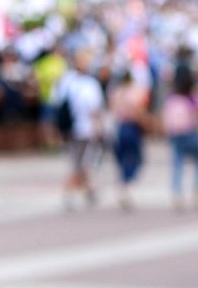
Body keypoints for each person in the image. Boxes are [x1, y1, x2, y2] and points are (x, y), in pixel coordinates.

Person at [55, 49, 106, 210]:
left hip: (74, 128)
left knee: (81, 162)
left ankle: (89, 191)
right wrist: (99, 127)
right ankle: (69, 192)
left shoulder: (67, 81)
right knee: (79, 163)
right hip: (83, 128)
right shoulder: (88, 84)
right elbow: (94, 109)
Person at [162, 74, 198, 211]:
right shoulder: (193, 97)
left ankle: (178, 194)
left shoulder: (172, 97)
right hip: (190, 132)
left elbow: (166, 115)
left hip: (176, 134)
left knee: (177, 164)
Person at [108, 71, 150, 210]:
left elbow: (112, 110)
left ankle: (124, 184)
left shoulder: (116, 93)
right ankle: (127, 184)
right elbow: (139, 111)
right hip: (131, 127)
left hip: (119, 128)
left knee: (122, 158)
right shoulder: (134, 93)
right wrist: (146, 124)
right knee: (135, 158)